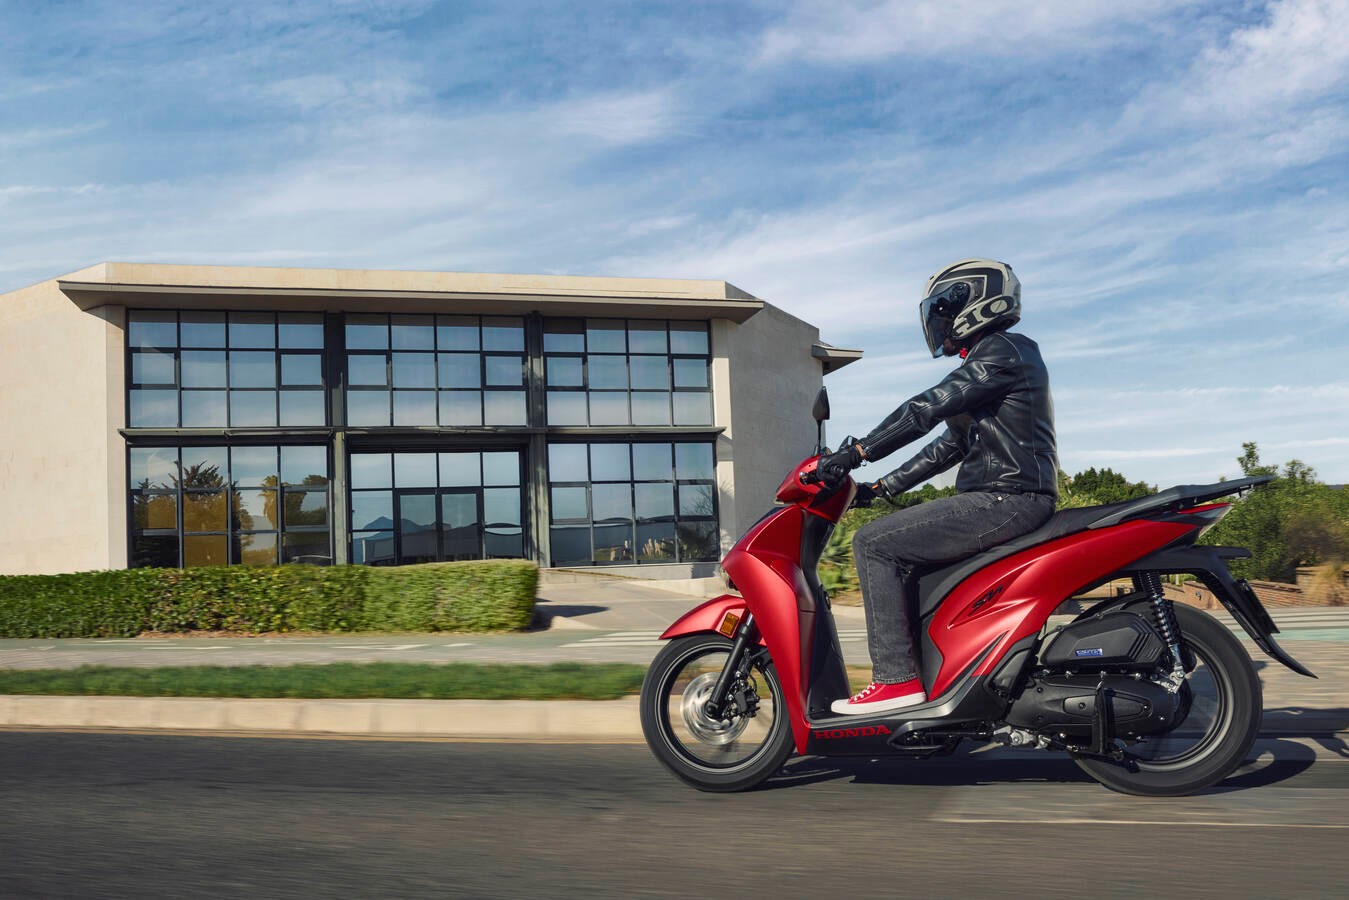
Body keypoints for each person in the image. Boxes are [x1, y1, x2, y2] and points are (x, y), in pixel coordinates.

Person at [816, 259, 1058, 715]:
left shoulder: (1003, 350)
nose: (940, 324)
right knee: (902, 556)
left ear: (976, 303)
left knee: (873, 544)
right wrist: (878, 488)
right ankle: (936, 680)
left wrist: (858, 451)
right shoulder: (996, 359)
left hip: (1008, 498)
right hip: (1003, 497)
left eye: (944, 312)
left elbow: (926, 408)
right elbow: (948, 446)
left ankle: (895, 681)